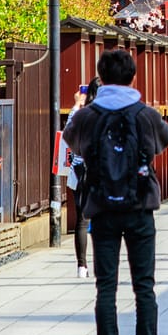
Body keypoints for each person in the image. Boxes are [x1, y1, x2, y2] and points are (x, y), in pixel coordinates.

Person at [63, 49, 168, 335]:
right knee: (144, 287)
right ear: (133, 77)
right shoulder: (146, 114)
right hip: (140, 208)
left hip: (103, 207)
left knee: (106, 288)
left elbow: (71, 139)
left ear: (100, 77)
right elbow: (164, 141)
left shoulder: (88, 117)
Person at [63, 83, 97, 279]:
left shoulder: (80, 114)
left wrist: (77, 104)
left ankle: (82, 267)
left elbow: (68, 135)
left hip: (80, 171)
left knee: (82, 222)